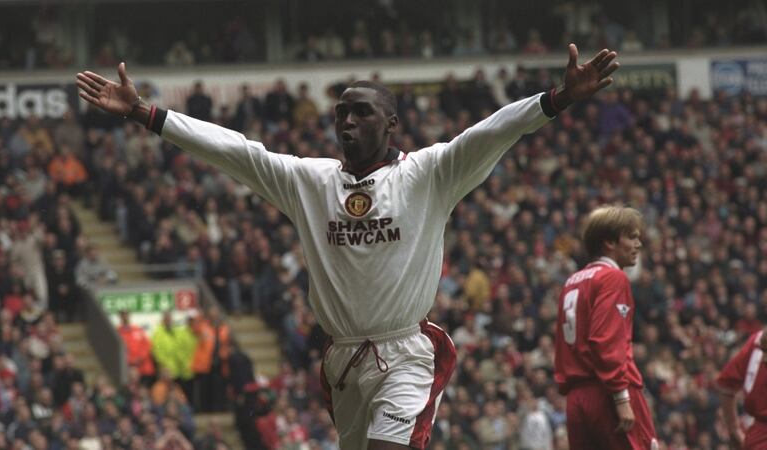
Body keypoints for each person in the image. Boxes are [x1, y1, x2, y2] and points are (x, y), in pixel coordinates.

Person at [76, 43, 619, 450]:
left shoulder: (429, 174)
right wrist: (146, 114)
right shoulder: (309, 182)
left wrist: (557, 99)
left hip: (405, 354)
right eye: (341, 113)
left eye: (361, 112)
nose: (348, 121)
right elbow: (234, 151)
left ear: (391, 124)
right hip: (342, 360)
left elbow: (493, 132)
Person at [553, 205, 658, 449]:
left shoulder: (571, 282)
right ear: (609, 242)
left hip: (576, 400)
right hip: (606, 393)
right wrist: (621, 397)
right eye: (632, 237)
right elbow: (605, 341)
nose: (639, 244)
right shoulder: (613, 278)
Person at [717, 327, 767, 449]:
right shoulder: (757, 340)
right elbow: (726, 383)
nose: (763, 359)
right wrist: (734, 429)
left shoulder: (757, 340)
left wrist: (734, 430)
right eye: (763, 351)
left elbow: (726, 384)